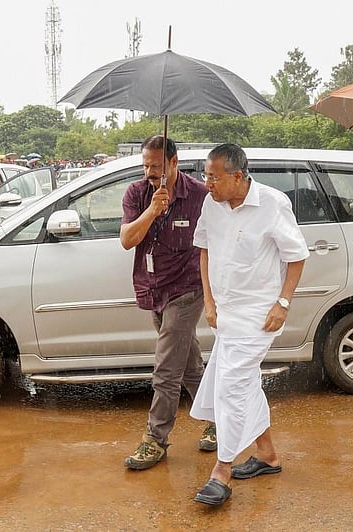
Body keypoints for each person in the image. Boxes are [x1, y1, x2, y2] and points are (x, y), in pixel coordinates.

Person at [188, 144, 308, 506]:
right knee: (244, 384)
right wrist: (209, 301)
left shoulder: (272, 204)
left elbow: (296, 256)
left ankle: (221, 472)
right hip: (226, 312)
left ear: (238, 176)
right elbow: (204, 249)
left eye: (213, 177)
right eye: (205, 176)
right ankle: (267, 455)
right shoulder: (212, 204)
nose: (207, 184)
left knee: (231, 387)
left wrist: (282, 303)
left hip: (259, 315)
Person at [120, 135, 214, 470]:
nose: (149, 172)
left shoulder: (200, 196)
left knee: (166, 367)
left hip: (187, 289)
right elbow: (127, 240)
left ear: (174, 163)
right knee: (187, 362)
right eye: (145, 165)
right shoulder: (137, 193)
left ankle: (155, 439)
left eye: (156, 167)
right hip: (153, 288)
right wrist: (152, 210)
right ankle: (218, 417)